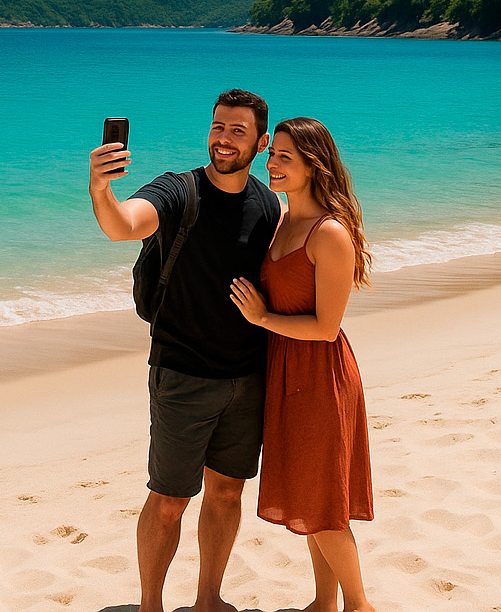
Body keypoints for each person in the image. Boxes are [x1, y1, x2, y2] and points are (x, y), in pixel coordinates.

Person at [88, 89, 282, 612]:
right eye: (219, 127)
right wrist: (102, 189)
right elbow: (123, 225)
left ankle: (208, 600)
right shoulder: (178, 191)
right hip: (182, 375)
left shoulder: (267, 204)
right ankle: (150, 604)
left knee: (227, 494)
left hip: (246, 377)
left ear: (262, 143)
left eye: (239, 131)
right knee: (170, 498)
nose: (224, 139)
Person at [230, 116, 376, 612]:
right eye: (272, 155)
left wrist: (262, 316)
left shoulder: (329, 233)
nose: (272, 164)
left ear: (314, 166)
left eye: (285, 158)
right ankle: (323, 603)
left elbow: (325, 327)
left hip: (321, 377)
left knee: (324, 505)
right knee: (314, 498)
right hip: (287, 373)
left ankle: (359, 605)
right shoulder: (281, 220)